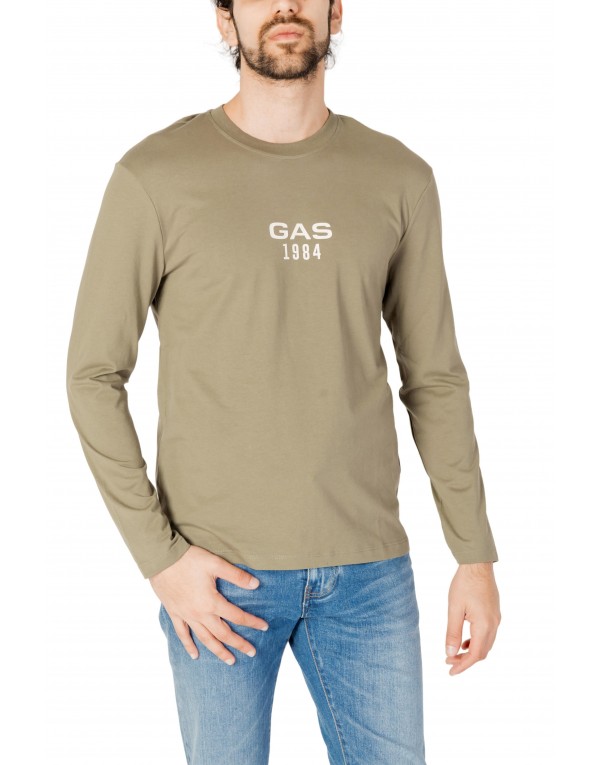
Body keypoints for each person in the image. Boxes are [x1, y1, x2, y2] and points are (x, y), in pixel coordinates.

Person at [65, 1, 501, 762]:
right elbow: (92, 375)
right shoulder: (155, 176)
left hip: (369, 573)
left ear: (337, 13)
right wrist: (160, 560)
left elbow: (434, 375)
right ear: (226, 20)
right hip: (216, 578)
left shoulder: (399, 177)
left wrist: (474, 554)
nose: (285, 7)